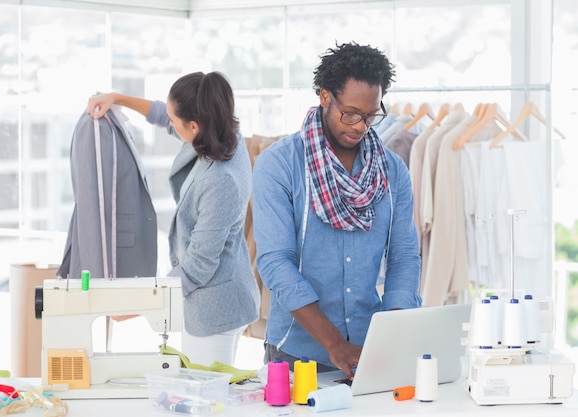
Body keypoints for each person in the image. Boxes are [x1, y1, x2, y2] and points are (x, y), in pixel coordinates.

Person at [252, 42, 422, 379]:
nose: (360, 126)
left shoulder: (392, 170)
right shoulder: (279, 164)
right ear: (325, 96)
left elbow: (404, 256)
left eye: (370, 116)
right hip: (295, 351)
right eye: (351, 113)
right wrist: (333, 343)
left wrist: (394, 335)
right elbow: (275, 261)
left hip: (369, 349)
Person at [87, 71, 260, 367]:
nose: (170, 124)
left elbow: (198, 267)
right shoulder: (223, 132)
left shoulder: (222, 180)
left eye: (175, 122)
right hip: (225, 291)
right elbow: (161, 115)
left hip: (216, 308)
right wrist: (117, 98)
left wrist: (137, 306)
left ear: (194, 126)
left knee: (205, 399)